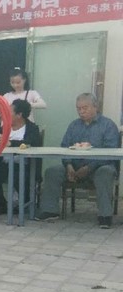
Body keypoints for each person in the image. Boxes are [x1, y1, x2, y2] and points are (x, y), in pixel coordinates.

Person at [35, 93, 120, 228]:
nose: (81, 112)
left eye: (85, 108)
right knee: (52, 172)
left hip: (99, 167)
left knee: (105, 173)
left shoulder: (108, 125)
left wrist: (89, 168)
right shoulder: (74, 125)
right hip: (74, 166)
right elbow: (65, 146)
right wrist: (68, 165)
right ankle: (50, 210)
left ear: (95, 107)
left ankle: (105, 215)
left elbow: (110, 152)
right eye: (78, 108)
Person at [0, 100, 42, 216]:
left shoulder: (32, 129)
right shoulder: (4, 127)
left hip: (24, 164)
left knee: (17, 176)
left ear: (19, 114)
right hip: (5, 163)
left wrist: (11, 143)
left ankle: (25, 202)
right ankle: (1, 204)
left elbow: (31, 143)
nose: (6, 114)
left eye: (9, 111)